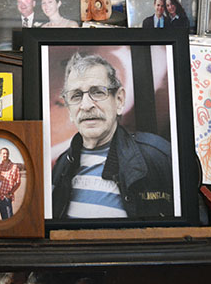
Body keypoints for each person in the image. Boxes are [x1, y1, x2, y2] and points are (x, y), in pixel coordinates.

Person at [52, 52, 173, 219]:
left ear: (119, 100)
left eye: (98, 92)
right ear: (69, 111)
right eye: (76, 96)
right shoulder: (62, 166)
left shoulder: (159, 155)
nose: (86, 106)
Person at [0, 147, 21, 220]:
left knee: (8, 221)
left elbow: (18, 182)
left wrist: (10, 193)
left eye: (7, 153)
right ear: (0, 154)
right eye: (3, 153)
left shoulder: (14, 167)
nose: (5, 155)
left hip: (6, 198)